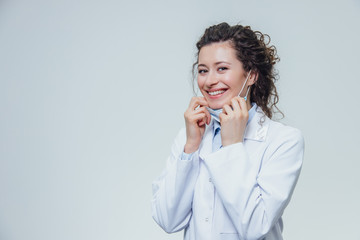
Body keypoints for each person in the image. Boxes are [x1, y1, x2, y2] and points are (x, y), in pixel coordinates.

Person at [151, 22, 304, 240]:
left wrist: (232, 146)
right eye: (203, 70)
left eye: (222, 68)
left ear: (251, 75)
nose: (210, 81)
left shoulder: (283, 140)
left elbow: (256, 227)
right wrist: (191, 148)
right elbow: (168, 220)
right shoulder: (190, 136)